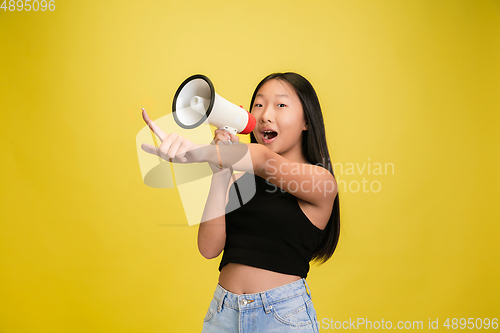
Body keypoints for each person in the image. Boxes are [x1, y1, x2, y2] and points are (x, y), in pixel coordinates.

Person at [141, 72, 340, 332]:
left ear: (306, 120)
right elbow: (209, 248)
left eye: (281, 105)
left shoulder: (320, 182)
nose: (266, 115)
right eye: (259, 105)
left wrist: (198, 152)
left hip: (281, 316)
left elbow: (263, 160)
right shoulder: (242, 184)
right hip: (222, 313)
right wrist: (220, 170)